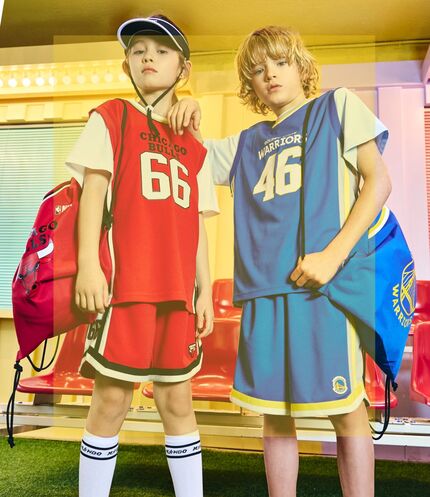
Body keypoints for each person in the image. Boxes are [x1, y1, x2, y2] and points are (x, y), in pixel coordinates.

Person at [168, 25, 392, 497]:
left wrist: (332, 256)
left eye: (280, 62)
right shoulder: (245, 142)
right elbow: (188, 157)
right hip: (263, 291)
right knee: (275, 413)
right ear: (249, 85)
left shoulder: (338, 106)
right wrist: (186, 104)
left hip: (322, 286)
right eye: (257, 70)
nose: (269, 74)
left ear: (300, 66)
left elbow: (379, 182)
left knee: (345, 408)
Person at [65, 15, 218, 497]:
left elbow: (197, 223)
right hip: (125, 288)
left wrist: (205, 289)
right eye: (138, 49)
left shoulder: (195, 144)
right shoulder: (111, 116)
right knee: (110, 399)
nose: (148, 55)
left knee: (178, 402)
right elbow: (92, 195)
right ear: (126, 64)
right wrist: (89, 265)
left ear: (183, 69)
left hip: (177, 293)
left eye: (162, 49)